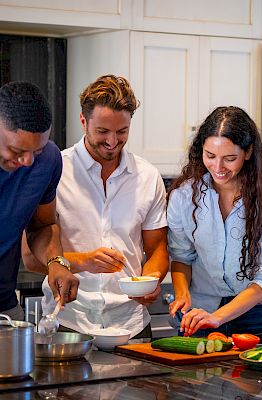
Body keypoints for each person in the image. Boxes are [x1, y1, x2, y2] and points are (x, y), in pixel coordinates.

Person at [22, 75, 169, 339]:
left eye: (122, 131)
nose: (112, 141)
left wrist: (151, 280)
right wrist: (86, 261)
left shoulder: (147, 176)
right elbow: (31, 259)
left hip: (132, 324)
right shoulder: (55, 171)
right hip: (68, 320)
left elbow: (157, 247)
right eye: (103, 131)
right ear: (83, 121)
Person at [167, 106, 262, 337]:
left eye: (229, 158)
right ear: (200, 151)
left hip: (259, 313)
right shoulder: (184, 197)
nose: (218, 168)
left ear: (248, 152)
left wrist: (218, 317)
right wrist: (183, 294)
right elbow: (181, 258)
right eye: (210, 156)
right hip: (202, 310)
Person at [0, 81, 79, 321]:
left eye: (36, 150)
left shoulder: (49, 160)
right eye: (16, 151)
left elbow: (42, 226)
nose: (27, 162)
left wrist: (56, 262)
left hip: (4, 308)